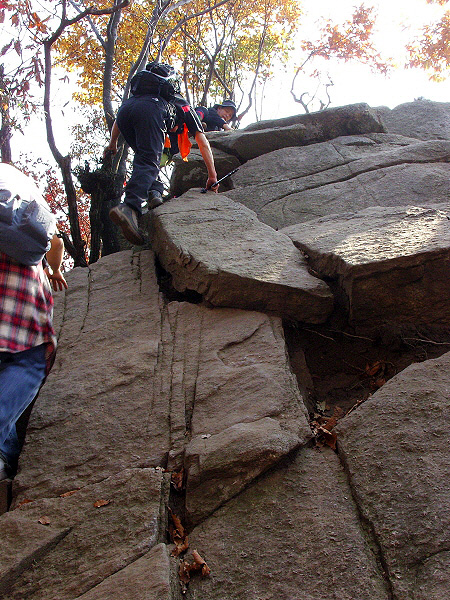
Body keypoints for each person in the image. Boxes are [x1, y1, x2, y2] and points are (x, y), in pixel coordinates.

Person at [0, 169, 68, 481]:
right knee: (28, 363)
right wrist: (54, 269)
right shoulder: (22, 190)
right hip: (19, 301)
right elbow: (54, 243)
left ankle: (6, 456)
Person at [105, 62, 219, 246]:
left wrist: (113, 143)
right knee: (150, 161)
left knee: (145, 159)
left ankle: (154, 193)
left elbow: (119, 119)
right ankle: (130, 207)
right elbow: (202, 141)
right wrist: (212, 175)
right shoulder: (182, 105)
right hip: (152, 111)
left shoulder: (138, 94)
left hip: (126, 111)